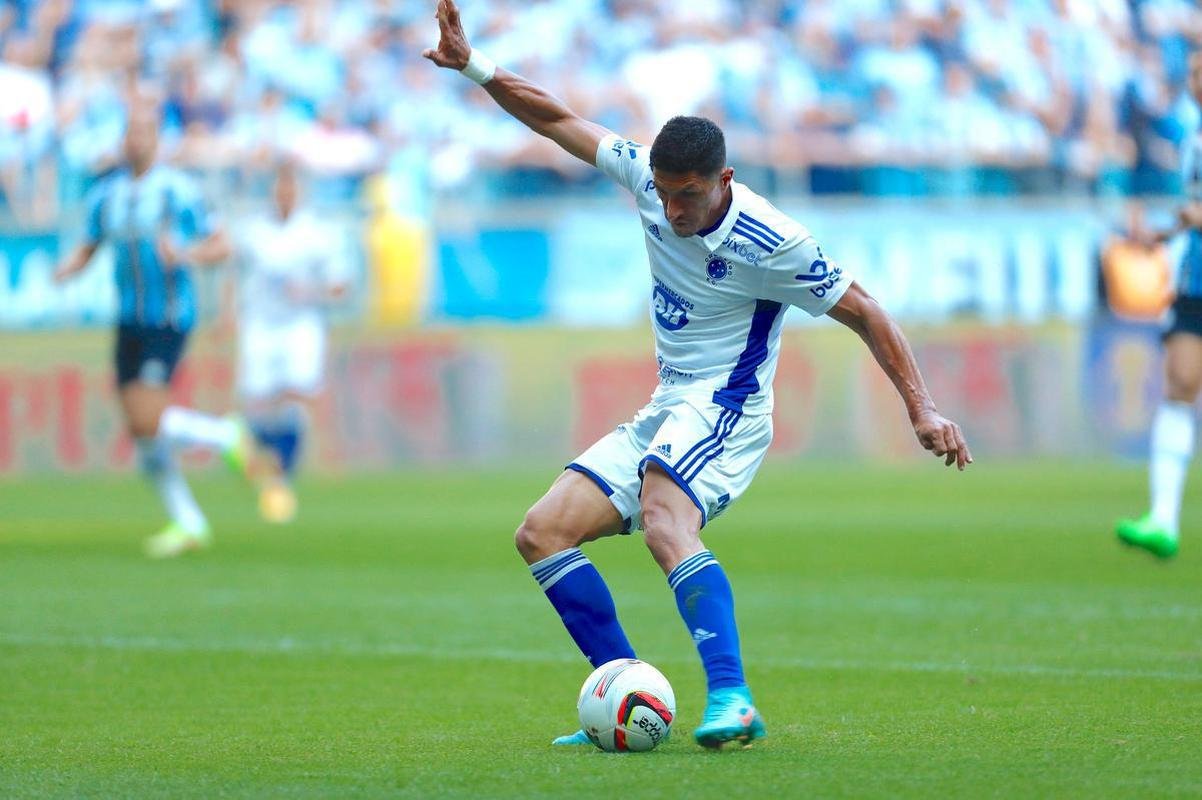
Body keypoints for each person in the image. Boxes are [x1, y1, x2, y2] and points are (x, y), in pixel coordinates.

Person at [423, 0, 972, 749]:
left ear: (725, 180)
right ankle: (626, 691)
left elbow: (869, 311)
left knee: (662, 518)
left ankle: (734, 697)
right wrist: (475, 66)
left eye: (690, 193)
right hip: (671, 403)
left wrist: (922, 408)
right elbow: (556, 119)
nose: (674, 208)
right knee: (542, 532)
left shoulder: (772, 238)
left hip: (730, 407)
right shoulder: (649, 180)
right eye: (665, 190)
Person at [54, 100, 246, 559]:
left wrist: (185, 256)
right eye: (130, 132)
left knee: (148, 418)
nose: (135, 140)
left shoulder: (178, 190)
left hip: (168, 319)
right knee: (143, 434)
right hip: (128, 320)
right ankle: (188, 521)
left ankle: (224, 436)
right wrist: (68, 270)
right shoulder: (107, 195)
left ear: (156, 139)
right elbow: (90, 244)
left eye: (144, 132)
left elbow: (220, 246)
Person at [226, 160, 349, 523]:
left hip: (301, 324)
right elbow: (234, 273)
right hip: (259, 324)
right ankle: (257, 459)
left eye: (290, 187)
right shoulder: (253, 230)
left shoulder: (318, 232)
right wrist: (226, 313)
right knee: (258, 403)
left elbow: (340, 285)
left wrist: (311, 291)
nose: (284, 194)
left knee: (295, 395)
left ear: (300, 191)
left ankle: (280, 478)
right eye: (279, 187)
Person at [1115, 53, 1202, 560]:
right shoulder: (1192, 138)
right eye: (1191, 74)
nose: (1194, 83)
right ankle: (1163, 519)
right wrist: (1165, 233)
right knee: (1179, 384)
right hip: (1194, 280)